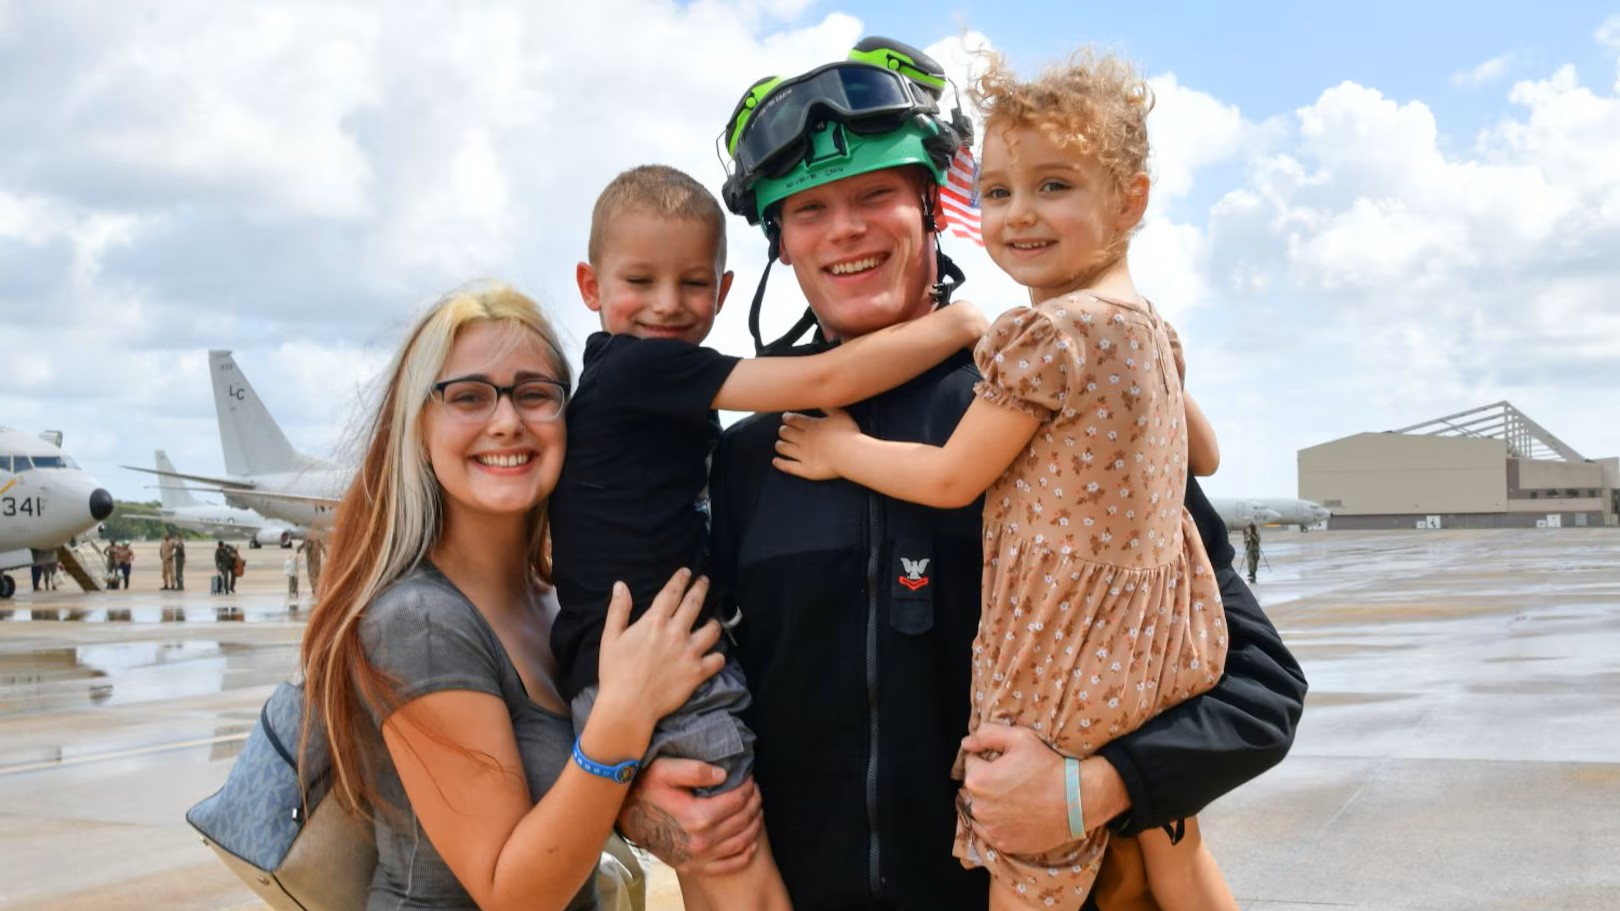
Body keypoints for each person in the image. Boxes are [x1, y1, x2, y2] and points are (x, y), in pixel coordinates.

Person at [617, 37, 1308, 911]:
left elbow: (1260, 689)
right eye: (808, 209)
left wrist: (1099, 785)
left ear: (934, 208)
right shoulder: (750, 456)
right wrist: (638, 790)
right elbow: (654, 667)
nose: (846, 229)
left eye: (876, 196)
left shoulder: (1068, 409)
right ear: (779, 244)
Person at [771, 49, 1236, 910]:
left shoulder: (1043, 346)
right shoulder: (1147, 340)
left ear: (1128, 200)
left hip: (1054, 669)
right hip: (1161, 646)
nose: (1020, 214)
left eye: (1054, 187)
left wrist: (838, 450)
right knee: (1181, 845)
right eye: (998, 191)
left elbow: (952, 476)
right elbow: (1200, 451)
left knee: (1029, 865)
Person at [549, 163, 985, 909]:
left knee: (721, 870)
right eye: (640, 281)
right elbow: (822, 383)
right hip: (659, 665)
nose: (666, 306)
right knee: (739, 870)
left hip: (651, 659)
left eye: (692, 284)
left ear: (722, 293)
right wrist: (963, 323)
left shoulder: (662, 405)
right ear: (591, 288)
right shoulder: (640, 372)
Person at [299, 281, 725, 910]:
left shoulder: (552, 600)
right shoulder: (421, 622)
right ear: (419, 427)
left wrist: (649, 800)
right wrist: (627, 716)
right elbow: (514, 894)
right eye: (468, 396)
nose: (507, 422)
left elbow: (569, 796)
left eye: (534, 395)